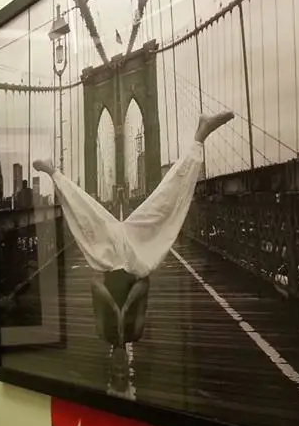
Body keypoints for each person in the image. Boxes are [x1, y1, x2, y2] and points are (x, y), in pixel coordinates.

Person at [33, 111, 234, 355]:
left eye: (116, 353)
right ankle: (200, 137)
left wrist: (115, 310)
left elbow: (95, 284)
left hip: (108, 254)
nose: (120, 354)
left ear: (113, 349)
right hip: (136, 253)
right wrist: (126, 308)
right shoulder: (135, 333)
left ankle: (53, 171)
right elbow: (143, 285)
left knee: (85, 213)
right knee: (166, 203)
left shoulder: (103, 332)